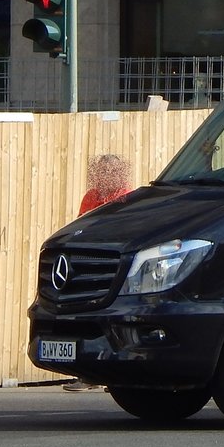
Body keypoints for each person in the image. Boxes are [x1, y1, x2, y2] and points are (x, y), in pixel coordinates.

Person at [66, 154, 133, 391]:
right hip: (91, 261)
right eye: (103, 170)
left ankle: (115, 375)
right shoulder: (92, 196)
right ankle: (87, 374)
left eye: (112, 171)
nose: (107, 175)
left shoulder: (127, 197)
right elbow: (82, 225)